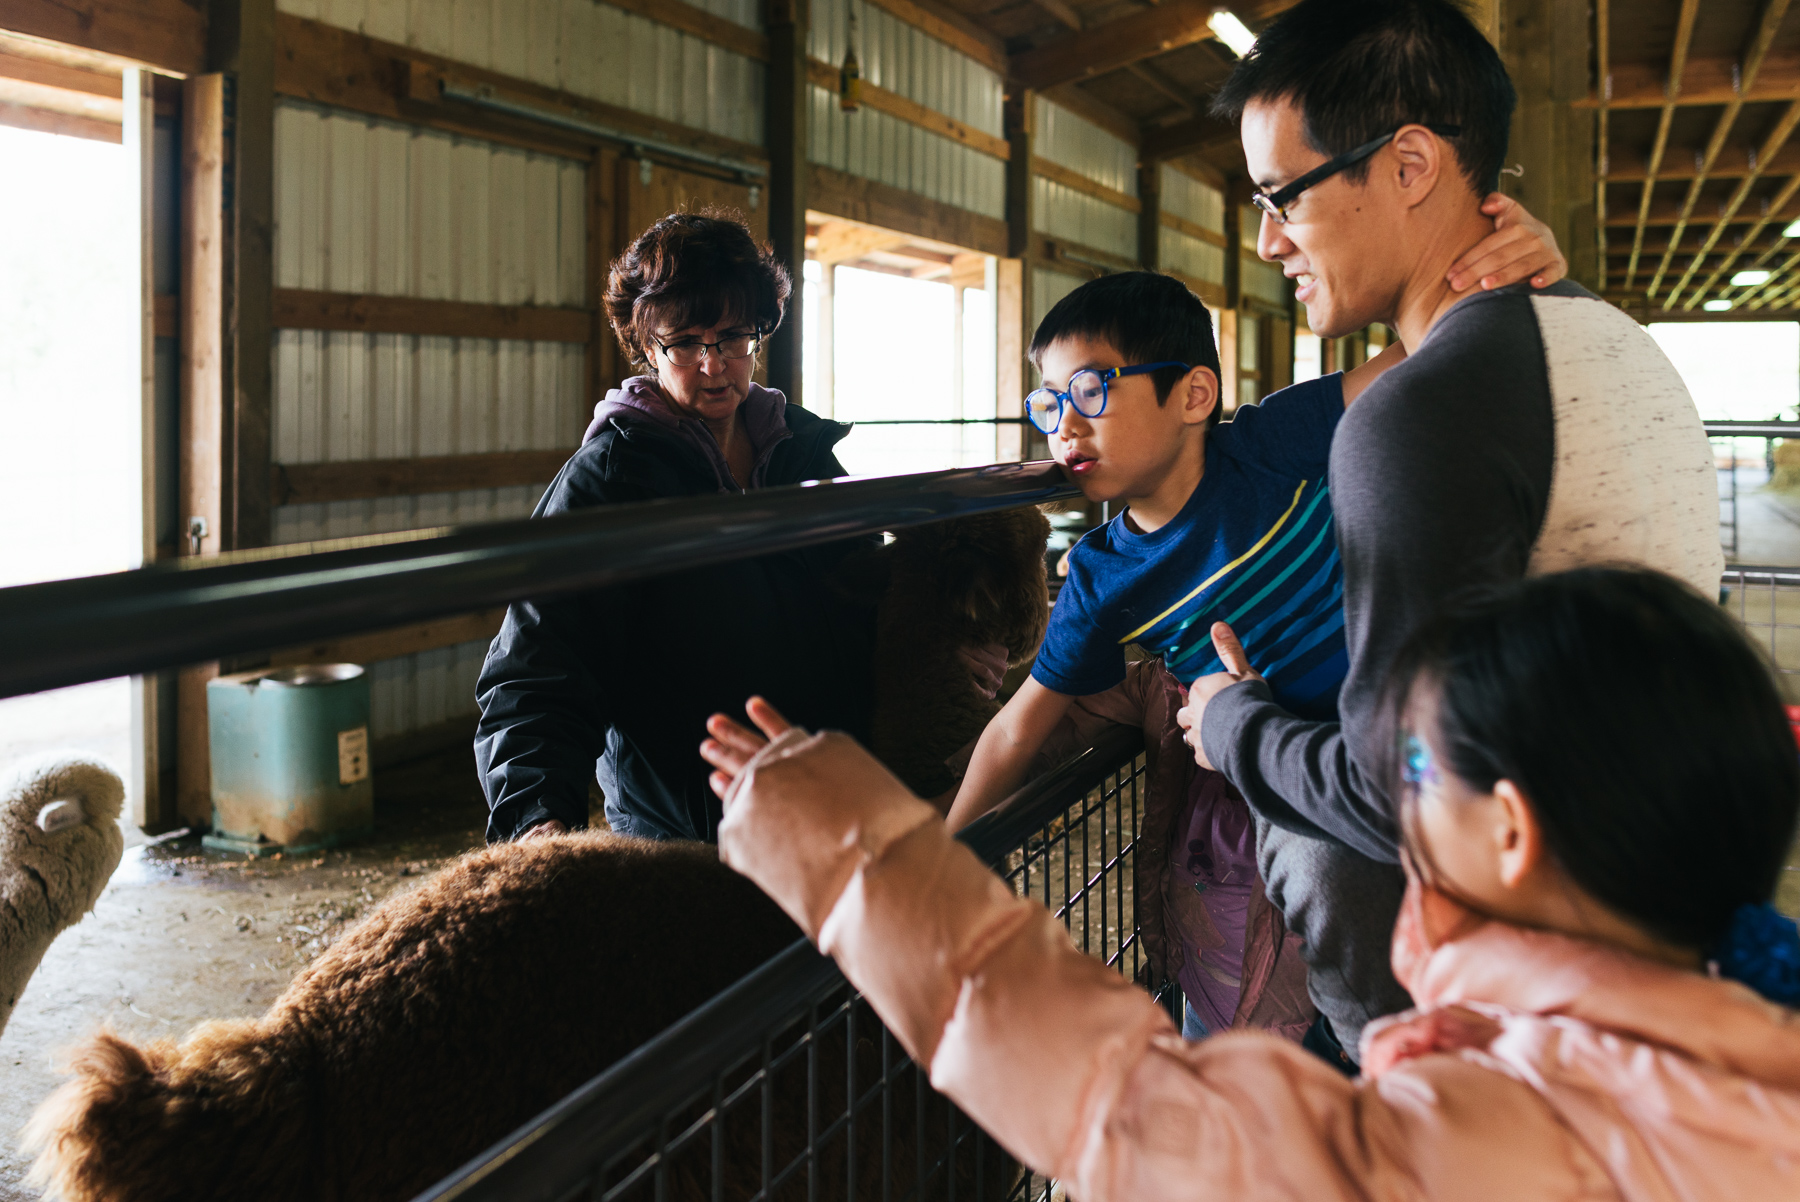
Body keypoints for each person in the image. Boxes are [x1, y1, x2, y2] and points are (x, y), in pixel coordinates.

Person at [701, 566, 1800, 1201]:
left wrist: (855, 844)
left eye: (1414, 766)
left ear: (1510, 834)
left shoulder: (1489, 1133)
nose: (1390, 786)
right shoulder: (1753, 1053)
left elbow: (1114, 1097)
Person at [1176, 0, 1723, 1066]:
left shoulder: (1417, 414)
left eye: (1282, 194)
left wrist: (1234, 723)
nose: (1267, 238)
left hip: (1490, 1029)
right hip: (1655, 927)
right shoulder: (1611, 339)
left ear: (1411, 162)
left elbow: (1408, 806)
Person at [944, 215, 1566, 1044]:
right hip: (1285, 780)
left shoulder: (1271, 442)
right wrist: (943, 857)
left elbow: (1420, 349)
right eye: (1048, 402)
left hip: (1404, 740)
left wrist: (1526, 264)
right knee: (1323, 978)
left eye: (1092, 390)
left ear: (1194, 394)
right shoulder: (1100, 575)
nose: (1064, 424)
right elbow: (1023, 726)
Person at [475, 212, 897, 844]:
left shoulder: (803, 455)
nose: (713, 365)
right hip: (690, 833)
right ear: (648, 347)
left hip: (830, 801)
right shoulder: (609, 482)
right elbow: (538, 666)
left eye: (732, 339)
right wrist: (536, 816)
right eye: (684, 343)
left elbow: (867, 598)